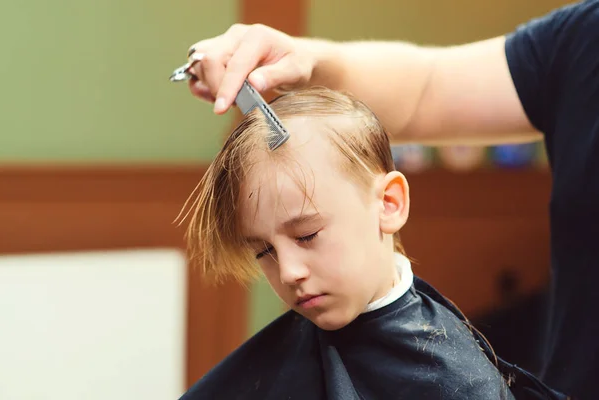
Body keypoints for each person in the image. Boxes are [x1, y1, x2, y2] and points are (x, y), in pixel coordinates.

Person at [182, 1, 599, 398]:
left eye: (307, 235)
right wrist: (302, 56)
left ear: (390, 203)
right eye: (264, 251)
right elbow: (426, 89)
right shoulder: (586, 39)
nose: (288, 272)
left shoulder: (455, 378)